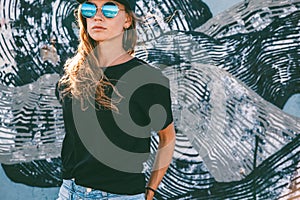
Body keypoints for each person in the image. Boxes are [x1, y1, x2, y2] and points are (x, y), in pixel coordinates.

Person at [56, 0, 176, 199]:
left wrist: (151, 189)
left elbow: (168, 138)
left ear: (127, 19)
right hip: (69, 191)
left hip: (119, 195)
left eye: (109, 9)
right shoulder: (73, 74)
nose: (97, 16)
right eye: (89, 8)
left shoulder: (147, 79)